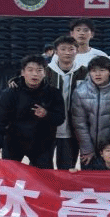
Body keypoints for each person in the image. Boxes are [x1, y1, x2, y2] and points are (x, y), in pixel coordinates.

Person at [0, 54, 65, 168]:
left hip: (42, 145)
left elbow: (60, 118)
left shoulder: (53, 93)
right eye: (30, 70)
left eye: (39, 70)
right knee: (10, 175)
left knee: (43, 177)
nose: (35, 74)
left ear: (45, 73)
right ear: (22, 72)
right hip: (13, 143)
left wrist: (46, 114)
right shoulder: (9, 94)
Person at [71, 55, 110, 168]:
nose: (97, 74)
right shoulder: (80, 92)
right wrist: (87, 149)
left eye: (102, 70)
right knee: (88, 178)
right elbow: (79, 124)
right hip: (88, 150)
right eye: (94, 71)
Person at [47, 35, 88, 169]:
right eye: (63, 49)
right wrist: (16, 80)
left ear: (77, 51)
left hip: (72, 130)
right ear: (56, 51)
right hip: (47, 128)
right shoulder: (45, 71)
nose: (67, 52)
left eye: (71, 49)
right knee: (42, 167)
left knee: (66, 168)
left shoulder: (85, 72)